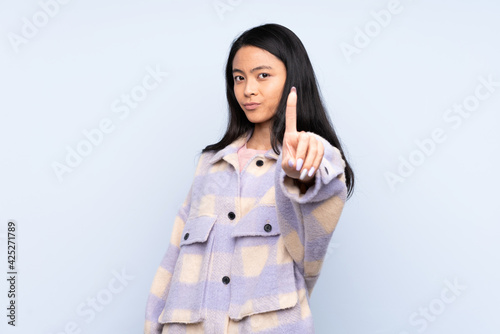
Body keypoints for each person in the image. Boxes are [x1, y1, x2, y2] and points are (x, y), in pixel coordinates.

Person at [144, 23, 355, 334]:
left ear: (293, 80)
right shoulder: (210, 164)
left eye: (263, 75)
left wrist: (302, 176)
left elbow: (317, 224)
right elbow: (173, 257)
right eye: (238, 78)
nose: (248, 89)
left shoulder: (314, 158)